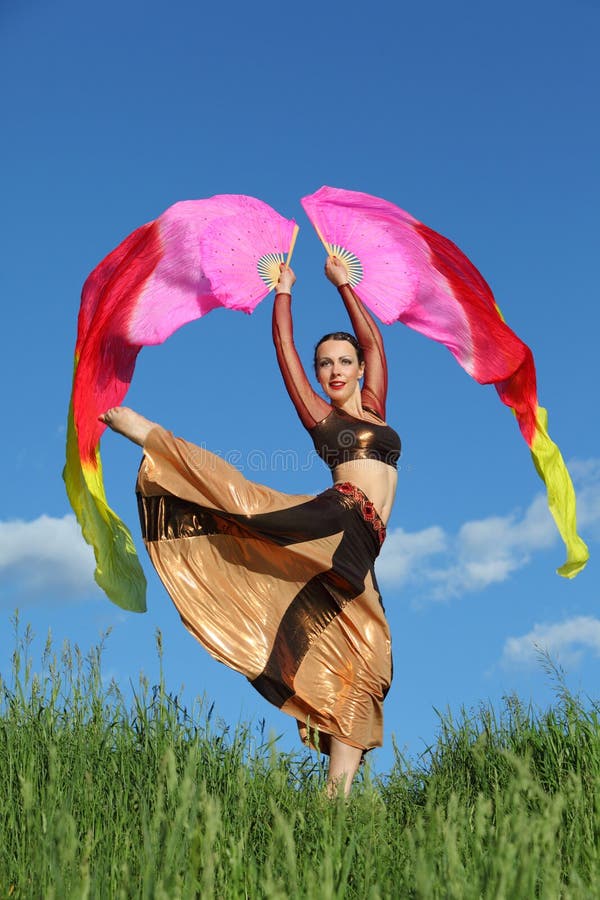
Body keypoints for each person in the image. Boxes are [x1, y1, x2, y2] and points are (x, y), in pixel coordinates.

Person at [100, 256, 400, 796]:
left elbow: (376, 344)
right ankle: (150, 437)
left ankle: (337, 797)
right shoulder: (324, 419)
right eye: (324, 364)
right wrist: (284, 292)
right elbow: (286, 357)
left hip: (363, 547)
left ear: (358, 369)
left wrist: (344, 286)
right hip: (339, 517)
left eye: (342, 361)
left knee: (369, 658)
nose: (332, 370)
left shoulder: (374, 407)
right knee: (245, 507)